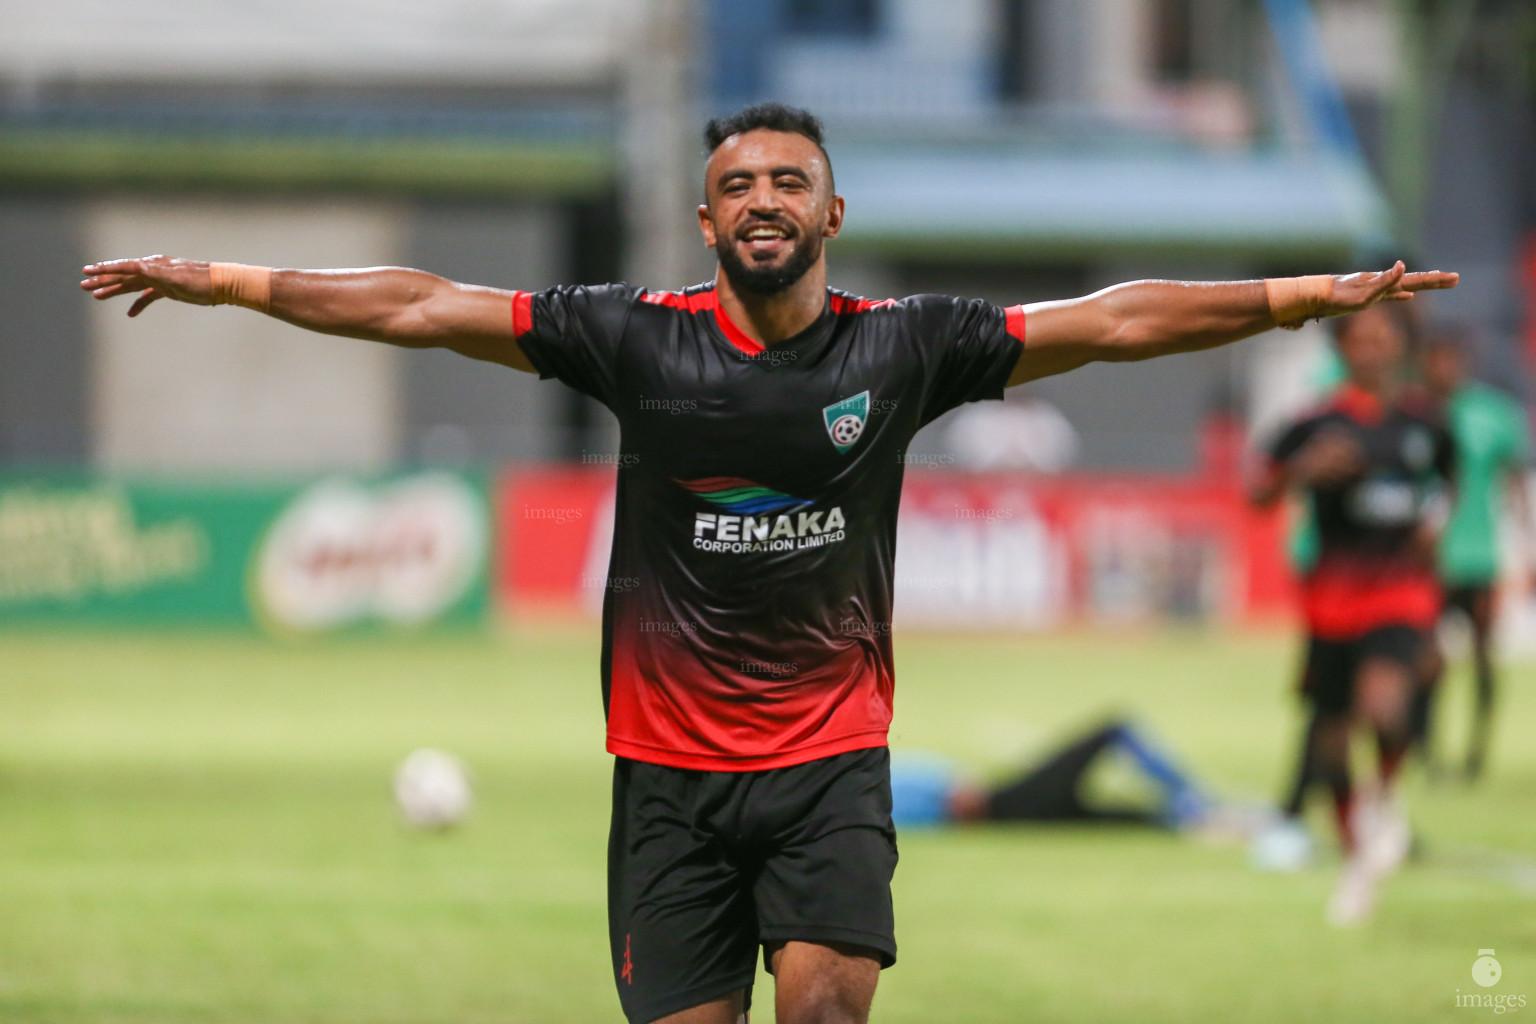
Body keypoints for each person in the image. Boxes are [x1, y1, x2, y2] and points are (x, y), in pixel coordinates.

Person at [80, 103, 1456, 1023]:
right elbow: (423, 305)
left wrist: (1295, 302)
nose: (762, 200)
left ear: (832, 209)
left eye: (787, 181)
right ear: (704, 221)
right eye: (735, 184)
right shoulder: (630, 335)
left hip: (827, 762)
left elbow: (1113, 321)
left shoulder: (904, 345)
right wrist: (234, 279)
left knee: (828, 1001)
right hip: (667, 779)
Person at [1250, 306, 1457, 926]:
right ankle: (1355, 854)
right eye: (1358, 339)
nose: (1370, 350)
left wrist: (1433, 530)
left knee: (1387, 706)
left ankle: (1385, 797)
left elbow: (1446, 488)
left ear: (1402, 348)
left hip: (1401, 593)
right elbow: (1256, 492)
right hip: (1333, 599)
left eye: (1382, 339)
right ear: (1343, 347)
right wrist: (1298, 472)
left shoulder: (1426, 422)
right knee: (1333, 743)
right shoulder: (1315, 421)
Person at [1415, 328, 1531, 780]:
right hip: (1431, 559)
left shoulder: (1494, 414)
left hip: (1479, 554)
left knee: (1483, 655)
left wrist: (1526, 544)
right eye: (1436, 360)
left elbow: (1515, 481)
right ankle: (1426, 750)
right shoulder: (1416, 412)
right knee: (1428, 659)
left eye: (1451, 360)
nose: (1443, 369)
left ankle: (1476, 753)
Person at [890, 718, 1209, 831]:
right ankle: (1193, 806)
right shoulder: (875, 787)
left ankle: (1191, 802)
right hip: (1003, 810)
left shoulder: (881, 781)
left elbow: (957, 789)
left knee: (1119, 816)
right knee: (1112, 734)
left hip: (1002, 806)